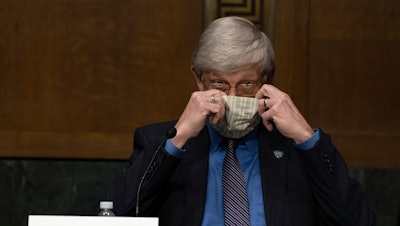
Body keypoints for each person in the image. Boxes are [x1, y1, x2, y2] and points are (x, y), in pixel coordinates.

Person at [103, 16, 376, 226]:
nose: (231, 97)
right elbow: (115, 217)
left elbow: (356, 221)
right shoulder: (163, 142)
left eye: (246, 83)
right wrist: (179, 137)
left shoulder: (300, 148)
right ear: (198, 80)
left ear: (267, 80)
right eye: (219, 83)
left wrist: (305, 137)